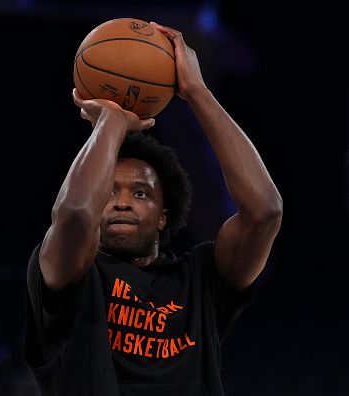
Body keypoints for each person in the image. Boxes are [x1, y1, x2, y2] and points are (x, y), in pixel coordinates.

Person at [23, 21, 283, 396]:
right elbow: (76, 213)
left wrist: (197, 91)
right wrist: (112, 120)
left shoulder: (200, 284)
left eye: (141, 193)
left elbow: (265, 211)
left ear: (164, 216)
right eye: (109, 192)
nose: (123, 201)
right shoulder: (71, 276)